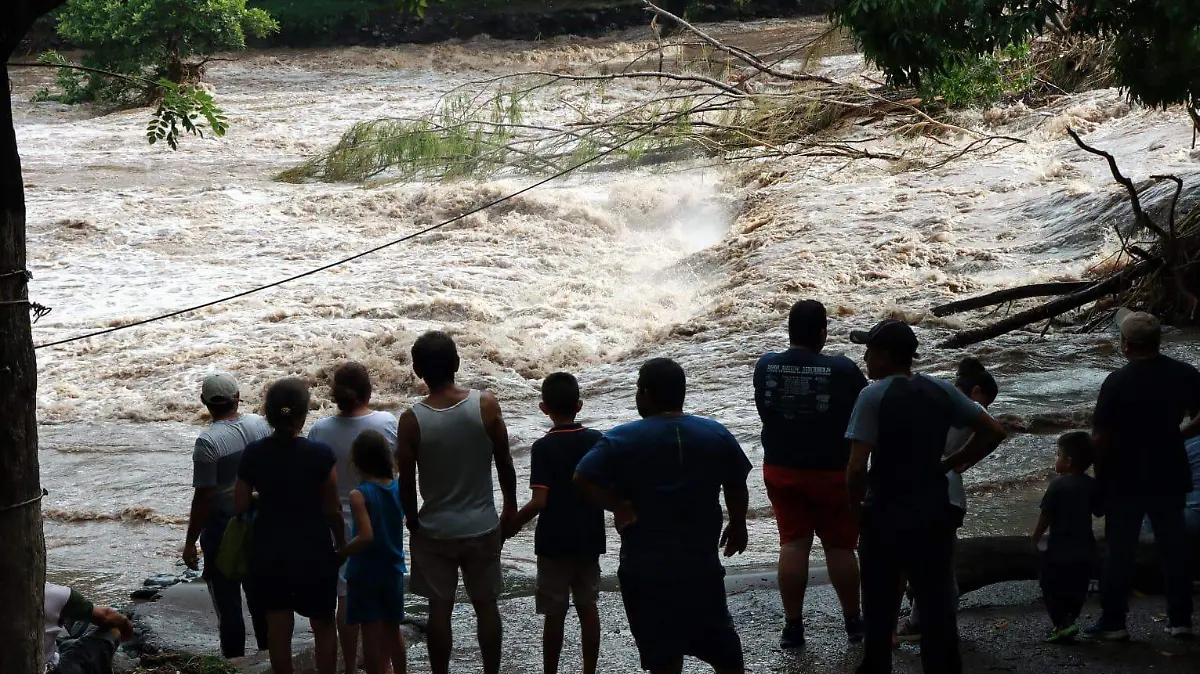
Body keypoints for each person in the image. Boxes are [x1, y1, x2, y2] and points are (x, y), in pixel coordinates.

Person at [845, 319, 1006, 674]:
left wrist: (855, 510)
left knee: (879, 602)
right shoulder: (940, 389)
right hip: (933, 509)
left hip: (886, 510)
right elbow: (993, 431)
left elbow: (857, 467)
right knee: (936, 605)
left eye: (869, 351)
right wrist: (952, 463)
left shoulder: (873, 395)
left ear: (884, 356)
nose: (866, 357)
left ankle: (877, 667)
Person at [575, 358, 752, 674]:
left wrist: (617, 504)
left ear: (645, 393)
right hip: (700, 568)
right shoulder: (715, 433)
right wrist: (738, 522)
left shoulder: (621, 439)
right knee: (726, 656)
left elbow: (582, 478)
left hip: (646, 571)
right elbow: (736, 481)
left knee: (664, 660)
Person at [396, 331, 517, 674]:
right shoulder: (486, 405)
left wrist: (411, 519)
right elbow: (505, 461)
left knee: (439, 609)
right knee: (486, 606)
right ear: (458, 363)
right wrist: (509, 507)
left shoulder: (412, 420)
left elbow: (406, 480)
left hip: (435, 530)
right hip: (481, 524)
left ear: (418, 371)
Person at [753, 299, 868, 649]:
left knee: (793, 544)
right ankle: (852, 622)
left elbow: (764, 408)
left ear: (789, 331)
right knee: (840, 547)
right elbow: (864, 412)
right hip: (833, 471)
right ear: (823, 332)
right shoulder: (843, 369)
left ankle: (793, 627)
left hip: (782, 468)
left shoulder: (766, 365)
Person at [1090, 308, 1199, 640]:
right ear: (1159, 340)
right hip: (1169, 471)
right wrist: (1179, 435)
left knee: (1119, 550)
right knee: (1174, 547)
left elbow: (1101, 438)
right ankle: (1180, 620)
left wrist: (1098, 478)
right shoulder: (1183, 374)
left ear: (1125, 345)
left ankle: (1114, 623)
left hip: (1125, 477)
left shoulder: (1117, 382)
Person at [235, 378, 346, 674]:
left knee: (278, 627)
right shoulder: (321, 455)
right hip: (314, 550)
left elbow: (240, 505)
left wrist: (265, 497)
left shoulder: (254, 454)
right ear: (303, 414)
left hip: (269, 551)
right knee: (323, 624)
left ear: (268, 414)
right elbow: (332, 508)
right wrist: (342, 544)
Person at [896, 357, 999, 642]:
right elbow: (995, 433)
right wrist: (963, 461)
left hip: (927, 489)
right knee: (941, 564)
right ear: (976, 390)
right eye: (987, 401)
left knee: (912, 561)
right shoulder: (966, 410)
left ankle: (918, 622)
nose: (986, 408)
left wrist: (958, 461)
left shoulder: (942, 403)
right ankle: (936, 622)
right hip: (949, 491)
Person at [508, 372, 605, 674]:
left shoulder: (543, 447)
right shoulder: (597, 440)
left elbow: (539, 501)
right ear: (579, 405)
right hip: (589, 537)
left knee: (555, 612)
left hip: (553, 543)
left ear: (543, 408)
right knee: (588, 607)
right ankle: (589, 669)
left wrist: (508, 528)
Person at [308, 362, 399, 674]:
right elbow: (397, 471)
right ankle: (386, 665)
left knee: (346, 597)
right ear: (368, 391)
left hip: (339, 526)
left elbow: (315, 480)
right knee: (387, 602)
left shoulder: (320, 430)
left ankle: (349, 666)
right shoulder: (386, 422)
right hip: (384, 521)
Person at [181, 372, 271, 659]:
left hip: (223, 528)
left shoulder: (207, 443)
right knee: (260, 597)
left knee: (228, 602)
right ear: (237, 397)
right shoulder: (261, 424)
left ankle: (234, 661)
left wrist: (190, 541)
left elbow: (204, 497)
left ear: (205, 402)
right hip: (261, 520)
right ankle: (269, 656)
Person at [341, 430, 408, 674]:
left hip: (365, 573)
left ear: (356, 462)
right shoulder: (399, 487)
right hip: (393, 569)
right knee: (393, 630)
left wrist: (342, 552)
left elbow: (366, 536)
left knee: (370, 634)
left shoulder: (359, 494)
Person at [1032, 431, 1101, 643]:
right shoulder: (1090, 484)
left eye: (1058, 454)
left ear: (1068, 462)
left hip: (1059, 548)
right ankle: (1069, 619)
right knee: (1078, 586)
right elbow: (1099, 511)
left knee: (1050, 584)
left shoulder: (1057, 485)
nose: (1056, 458)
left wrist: (1034, 538)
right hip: (1085, 547)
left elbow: (1046, 515)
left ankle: (1062, 623)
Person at [44, 583, 134, 674]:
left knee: (64, 643)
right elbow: (106, 616)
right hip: (51, 670)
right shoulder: (54, 593)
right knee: (112, 630)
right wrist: (128, 630)